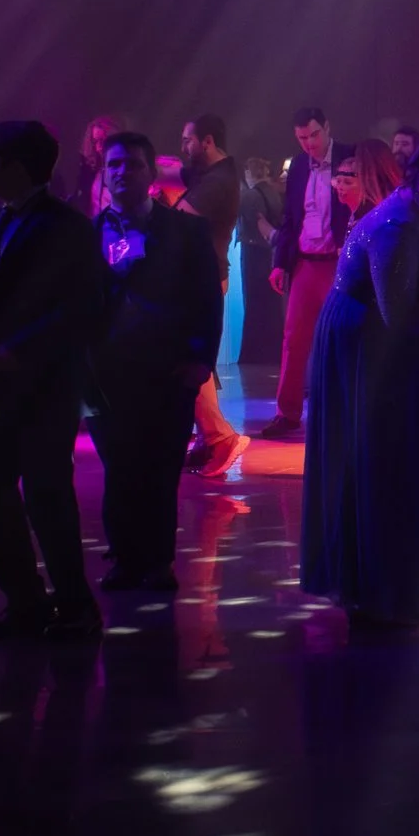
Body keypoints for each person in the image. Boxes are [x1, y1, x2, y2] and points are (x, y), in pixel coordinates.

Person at [0, 121, 105, 640]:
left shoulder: (66, 228)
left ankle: (75, 606)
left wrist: (19, 349)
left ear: (18, 167)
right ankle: (25, 602)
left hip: (44, 388)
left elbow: (82, 308)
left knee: (47, 496)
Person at [304, 134, 419, 630]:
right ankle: (382, 586)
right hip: (365, 343)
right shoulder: (396, 226)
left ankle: (386, 582)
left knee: (383, 461)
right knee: (379, 461)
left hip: (371, 340)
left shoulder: (412, 215)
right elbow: (399, 314)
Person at [89, 132, 223, 592]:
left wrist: (200, 360)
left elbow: (207, 299)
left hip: (167, 372)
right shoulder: (85, 237)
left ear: (150, 175)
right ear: (104, 175)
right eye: (115, 165)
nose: (123, 172)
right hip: (105, 375)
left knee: (161, 470)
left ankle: (158, 561)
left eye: (133, 164)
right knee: (119, 469)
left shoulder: (185, 231)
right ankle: (126, 558)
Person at [265, 106, 344, 439]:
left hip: (338, 263)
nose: (308, 143)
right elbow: (289, 220)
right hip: (305, 263)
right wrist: (280, 263)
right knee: (293, 340)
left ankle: (341, 412)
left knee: (341, 338)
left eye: (313, 135)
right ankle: (288, 414)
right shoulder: (298, 165)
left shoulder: (348, 157)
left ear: (326, 128)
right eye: (301, 138)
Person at [177, 115, 249, 477]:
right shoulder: (213, 175)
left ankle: (220, 436)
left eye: (188, 140)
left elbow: (179, 219)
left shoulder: (218, 181)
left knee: (191, 358)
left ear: (207, 142)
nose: (183, 147)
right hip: (200, 277)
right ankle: (210, 438)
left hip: (202, 279)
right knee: (191, 356)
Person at [237, 156, 284, 365]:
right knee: (271, 303)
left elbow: (249, 221)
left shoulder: (249, 196)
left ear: (249, 172)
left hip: (253, 251)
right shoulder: (273, 193)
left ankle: (253, 355)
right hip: (271, 252)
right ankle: (272, 351)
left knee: (254, 302)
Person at [67, 116, 117, 216]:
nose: (99, 148)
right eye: (95, 142)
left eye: (103, 141)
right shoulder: (90, 170)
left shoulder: (122, 170)